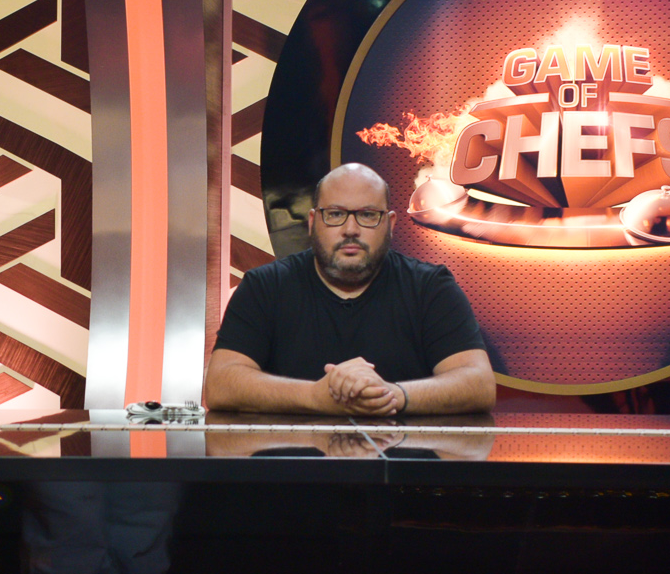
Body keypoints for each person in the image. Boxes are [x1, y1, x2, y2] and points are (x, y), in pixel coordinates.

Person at [205, 162, 495, 414]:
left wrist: (392, 395)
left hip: (403, 461)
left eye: (367, 215)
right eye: (335, 214)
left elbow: (478, 383)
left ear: (390, 224)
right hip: (291, 460)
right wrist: (314, 397)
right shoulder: (264, 287)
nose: (351, 229)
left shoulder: (430, 288)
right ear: (312, 222)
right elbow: (219, 384)